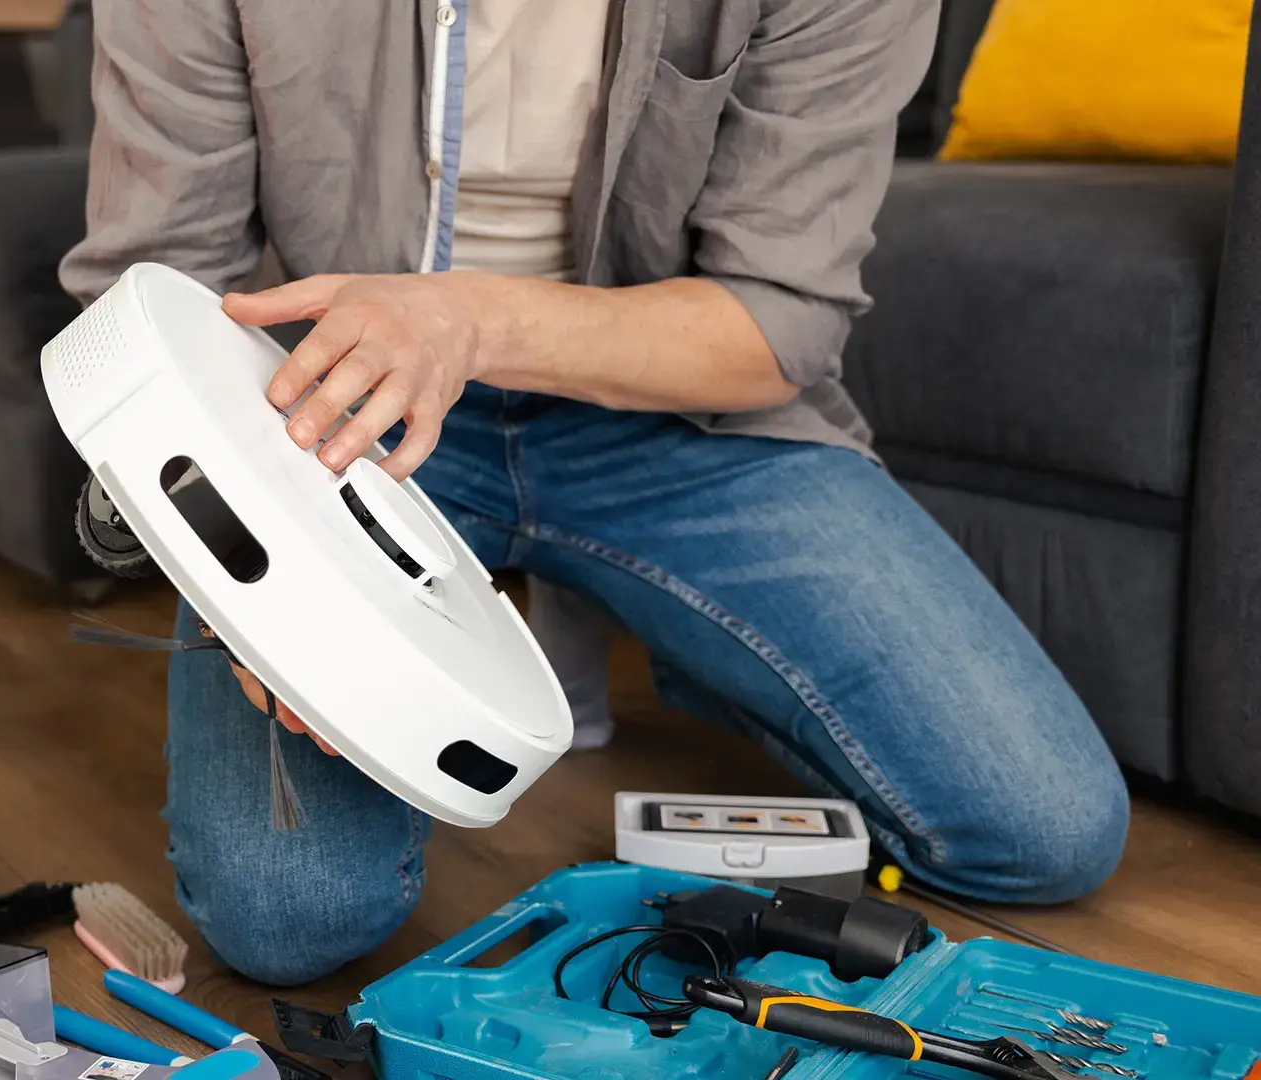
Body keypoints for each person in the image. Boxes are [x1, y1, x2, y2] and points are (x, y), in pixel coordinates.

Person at [57, 0, 1130, 987]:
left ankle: (665, 629)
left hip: (677, 409)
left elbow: (780, 320)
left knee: (1039, 827)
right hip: (325, 419)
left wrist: (468, 323)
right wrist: (264, 581)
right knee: (291, 920)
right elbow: (163, 291)